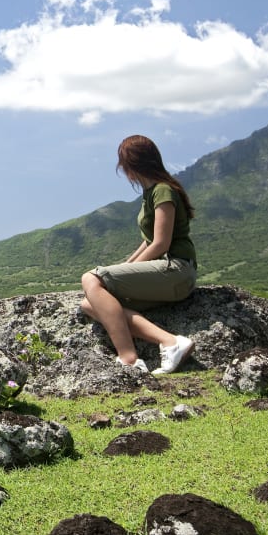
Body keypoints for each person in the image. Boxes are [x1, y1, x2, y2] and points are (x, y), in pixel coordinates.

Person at [80, 135, 197, 375]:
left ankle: (129, 358)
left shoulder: (163, 191)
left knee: (90, 279)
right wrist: (124, 268)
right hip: (164, 272)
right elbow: (149, 241)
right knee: (91, 303)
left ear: (131, 165)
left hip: (175, 270)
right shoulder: (151, 193)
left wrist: (110, 277)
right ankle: (171, 341)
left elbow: (161, 244)